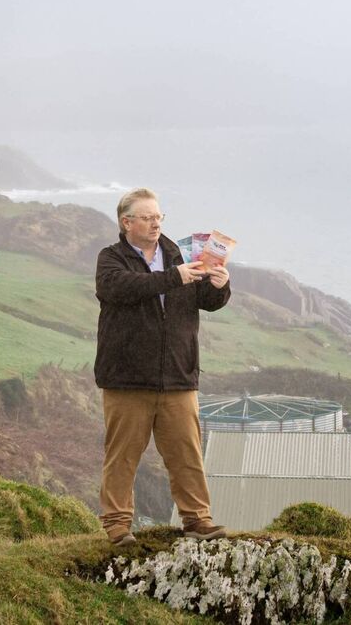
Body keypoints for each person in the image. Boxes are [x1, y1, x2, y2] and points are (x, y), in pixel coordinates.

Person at [94, 187, 231, 546]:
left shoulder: (180, 254)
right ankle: (117, 526)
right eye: (148, 217)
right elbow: (121, 288)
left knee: (187, 454)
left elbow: (207, 300)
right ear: (127, 223)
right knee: (122, 456)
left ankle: (198, 520)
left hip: (178, 377)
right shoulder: (111, 259)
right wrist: (175, 277)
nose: (156, 223)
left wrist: (220, 286)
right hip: (127, 379)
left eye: (159, 216)